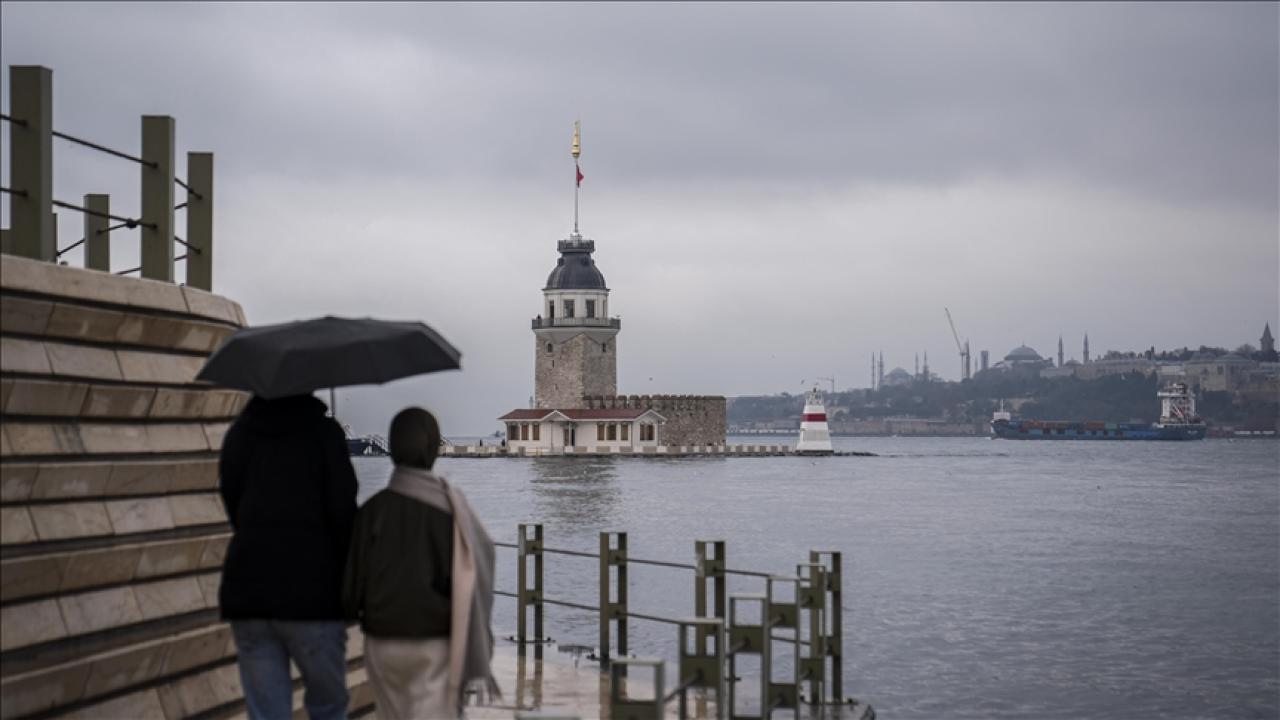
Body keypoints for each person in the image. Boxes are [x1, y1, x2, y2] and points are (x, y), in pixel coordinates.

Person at [343, 408, 498, 719]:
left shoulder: (371, 512)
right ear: (434, 449)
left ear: (392, 448)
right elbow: (479, 565)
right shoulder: (451, 512)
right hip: (433, 642)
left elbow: (350, 589)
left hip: (381, 641)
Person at [218, 394, 358, 720]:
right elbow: (344, 513)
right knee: (328, 707)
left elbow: (233, 501)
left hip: (249, 591)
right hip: (313, 594)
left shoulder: (240, 434)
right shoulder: (324, 434)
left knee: (266, 713)